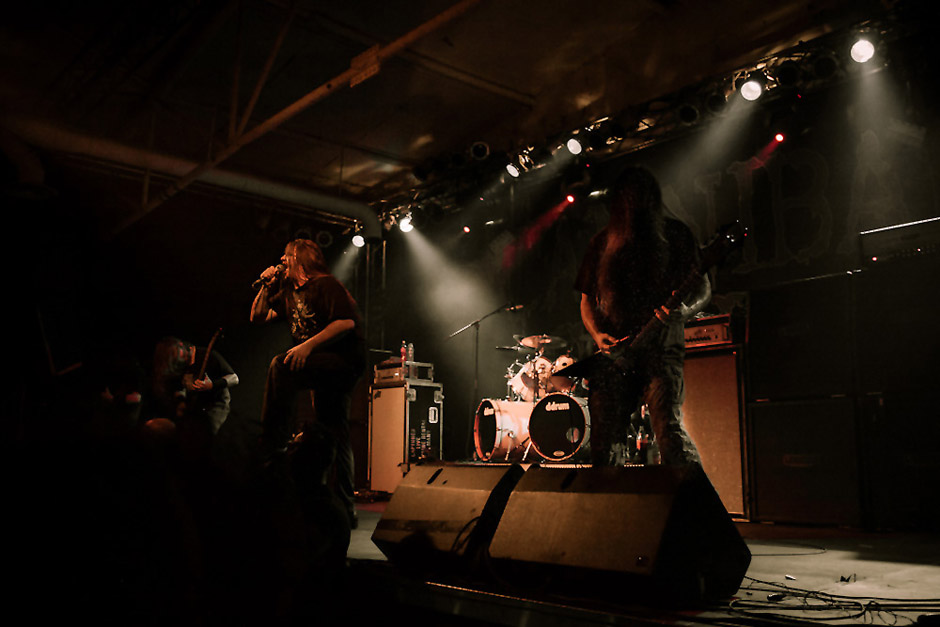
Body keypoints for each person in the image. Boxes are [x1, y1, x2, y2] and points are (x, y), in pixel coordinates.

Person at [575, 166, 710, 467]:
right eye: (628, 196)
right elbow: (586, 302)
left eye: (641, 195)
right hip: (615, 359)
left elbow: (704, 287)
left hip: (660, 353)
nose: (635, 202)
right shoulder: (601, 243)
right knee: (603, 447)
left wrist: (682, 311)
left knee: (670, 435)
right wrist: (599, 336)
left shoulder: (675, 235)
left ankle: (696, 506)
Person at [250, 238, 365, 528]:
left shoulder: (326, 285)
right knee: (334, 430)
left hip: (341, 362)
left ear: (298, 260)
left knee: (282, 365)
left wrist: (307, 347)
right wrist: (266, 284)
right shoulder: (289, 291)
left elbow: (345, 323)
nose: (281, 261)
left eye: (285, 256)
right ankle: (346, 508)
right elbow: (258, 316)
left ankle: (273, 443)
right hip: (319, 364)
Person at [150, 335, 239, 436]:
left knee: (209, 430)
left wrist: (211, 385)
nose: (178, 359)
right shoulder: (182, 365)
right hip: (196, 411)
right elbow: (180, 387)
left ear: (180, 345)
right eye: (173, 359)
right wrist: (181, 401)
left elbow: (234, 378)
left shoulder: (208, 355)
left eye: (176, 354)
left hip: (215, 406)